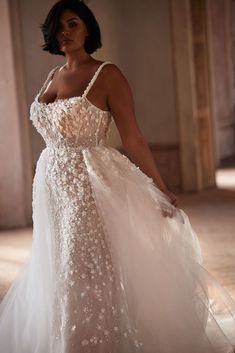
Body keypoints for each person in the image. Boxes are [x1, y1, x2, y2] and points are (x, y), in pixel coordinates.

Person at [0, 0, 235, 352]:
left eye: (73, 24)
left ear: (88, 28)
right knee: (57, 264)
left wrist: (160, 187)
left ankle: (92, 342)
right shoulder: (52, 76)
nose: (65, 32)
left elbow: (133, 138)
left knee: (84, 267)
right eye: (59, 27)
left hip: (88, 186)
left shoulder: (107, 75)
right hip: (50, 186)